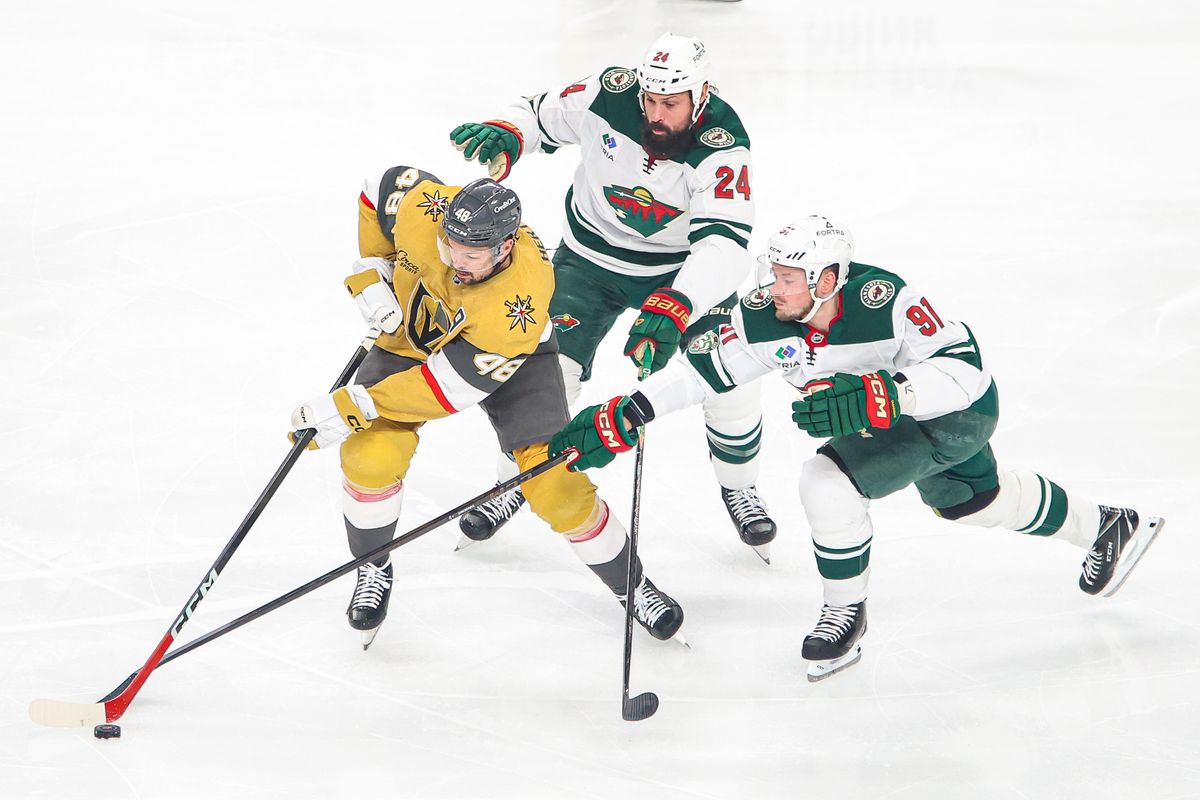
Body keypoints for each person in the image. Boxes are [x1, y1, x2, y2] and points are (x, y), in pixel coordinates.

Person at [548, 215, 1165, 681]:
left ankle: (846, 615)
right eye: (775, 274)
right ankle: (1109, 525)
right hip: (898, 423)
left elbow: (965, 371)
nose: (774, 287)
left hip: (952, 415)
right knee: (972, 502)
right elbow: (709, 371)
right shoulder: (765, 315)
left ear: (828, 279)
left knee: (826, 482)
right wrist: (629, 411)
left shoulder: (888, 300)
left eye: (790, 279)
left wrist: (884, 395)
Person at [289, 166, 685, 649]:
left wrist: (358, 404)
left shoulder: (517, 298)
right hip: (413, 336)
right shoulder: (426, 208)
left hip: (512, 362)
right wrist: (374, 271)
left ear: (505, 247)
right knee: (369, 459)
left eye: (473, 254)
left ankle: (632, 585)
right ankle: (373, 566)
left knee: (555, 486)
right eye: (451, 245)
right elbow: (377, 189)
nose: (457, 260)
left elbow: (449, 388)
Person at [447, 33, 777, 561]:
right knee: (548, 377)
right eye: (650, 101)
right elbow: (539, 114)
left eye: (670, 104)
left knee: (730, 377)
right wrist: (509, 132)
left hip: (677, 274)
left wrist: (678, 304)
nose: (655, 115)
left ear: (701, 95)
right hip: (588, 264)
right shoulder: (610, 93)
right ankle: (516, 480)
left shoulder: (722, 145)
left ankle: (739, 486)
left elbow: (724, 245)